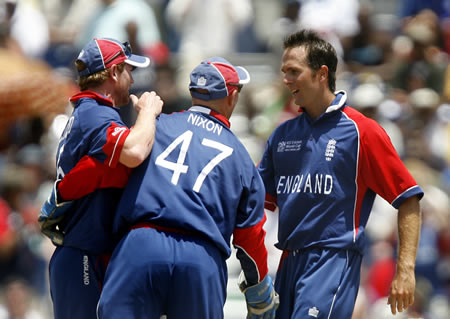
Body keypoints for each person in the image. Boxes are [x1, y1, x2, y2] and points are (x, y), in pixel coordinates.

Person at [257, 29, 424, 318]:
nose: (285, 80)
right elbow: (257, 203)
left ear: (322, 74)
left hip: (332, 262)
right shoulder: (281, 134)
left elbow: (408, 198)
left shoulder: (363, 132)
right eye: (284, 71)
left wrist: (405, 270)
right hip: (287, 263)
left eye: (294, 71)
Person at [97, 57, 278, 318]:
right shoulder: (241, 158)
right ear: (233, 95)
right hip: (200, 258)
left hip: (141, 245)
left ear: (193, 92)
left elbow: (114, 180)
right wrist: (258, 291)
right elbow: (249, 238)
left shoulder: (154, 127)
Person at [37, 38, 163, 319]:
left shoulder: (88, 113)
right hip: (82, 255)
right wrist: (148, 113)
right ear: (113, 73)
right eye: (128, 70)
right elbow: (134, 150)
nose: (132, 78)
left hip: (85, 253)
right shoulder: (96, 113)